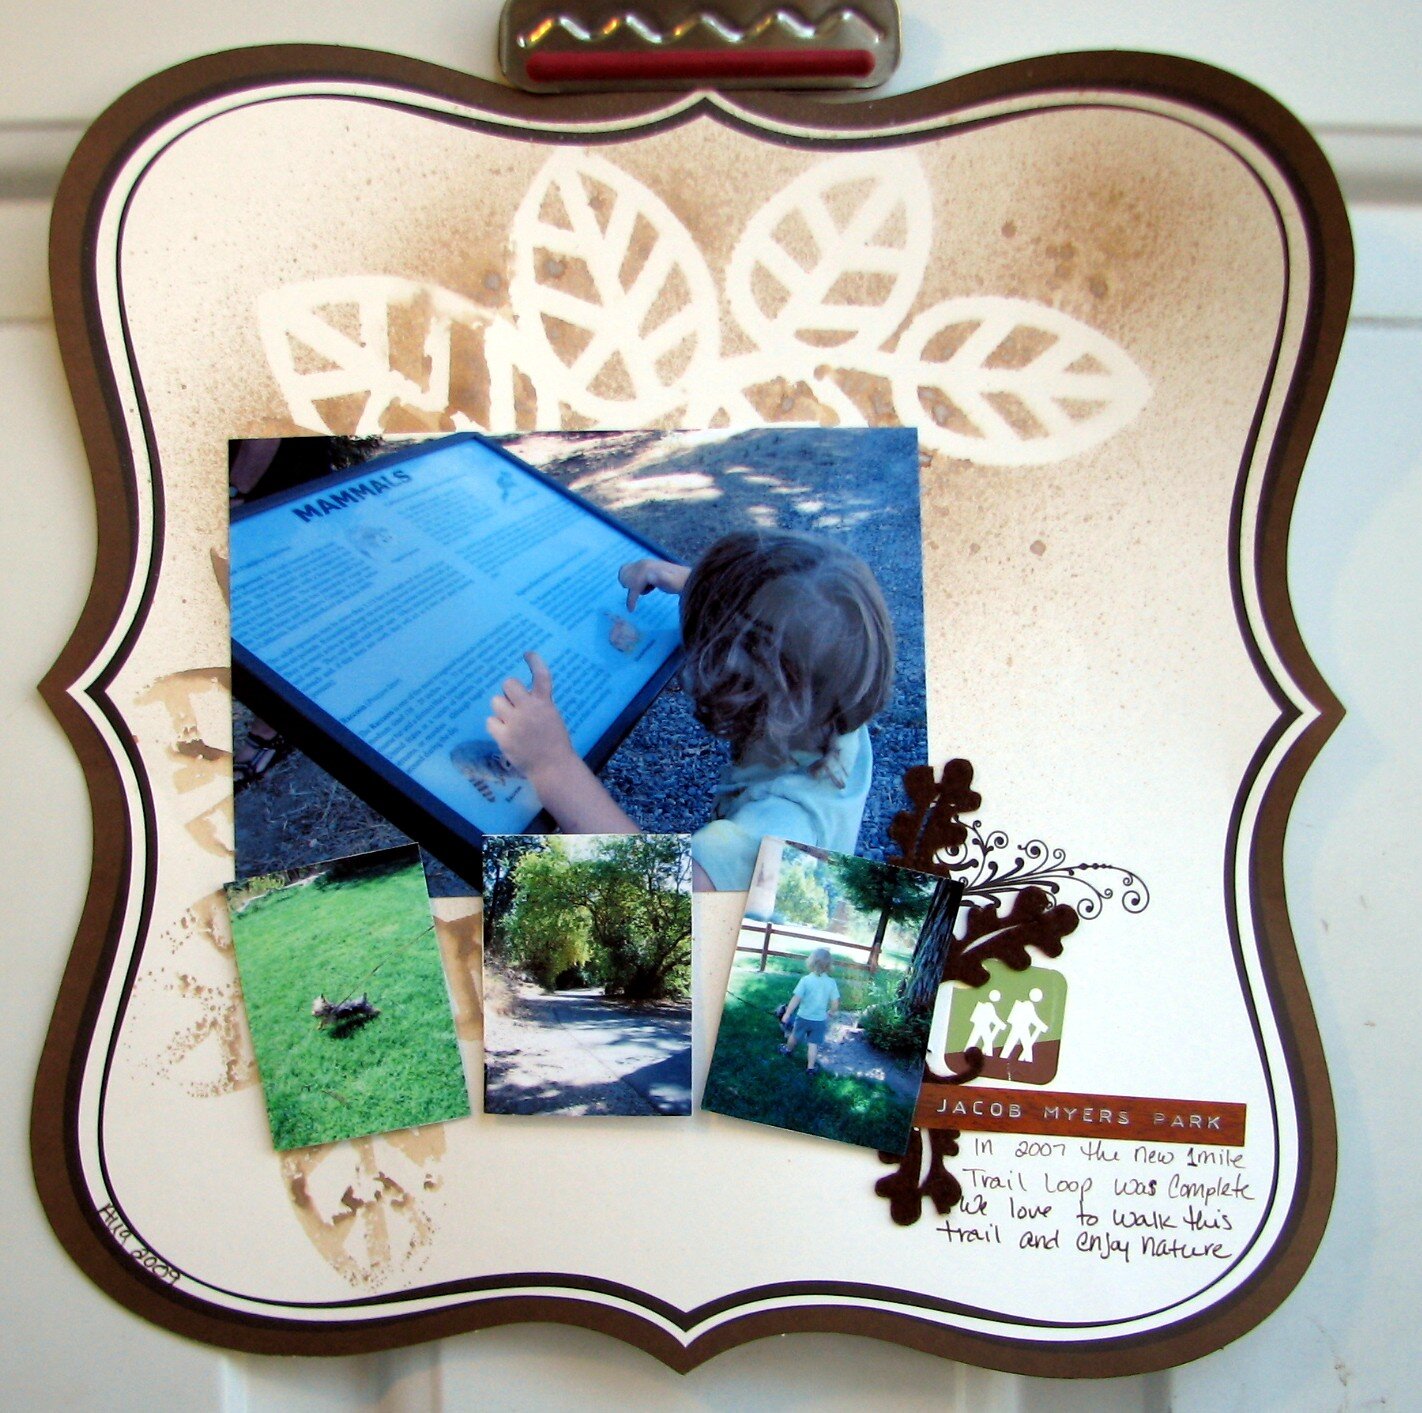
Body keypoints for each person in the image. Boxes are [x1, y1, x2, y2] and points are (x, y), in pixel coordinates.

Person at [486, 529, 895, 891]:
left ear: (730, 679)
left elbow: (666, 896)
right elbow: (797, 630)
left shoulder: (770, 834)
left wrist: (551, 765)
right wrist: (690, 583)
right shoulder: (832, 698)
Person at [779, 947, 841, 1072]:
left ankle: (787, 1050)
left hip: (803, 1017)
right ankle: (810, 1068)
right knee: (813, 1044)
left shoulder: (806, 980)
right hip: (819, 1020)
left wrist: (787, 1013)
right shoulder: (831, 983)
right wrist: (832, 1011)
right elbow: (835, 1002)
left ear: (811, 962)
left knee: (794, 1035)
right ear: (829, 966)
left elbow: (796, 998)